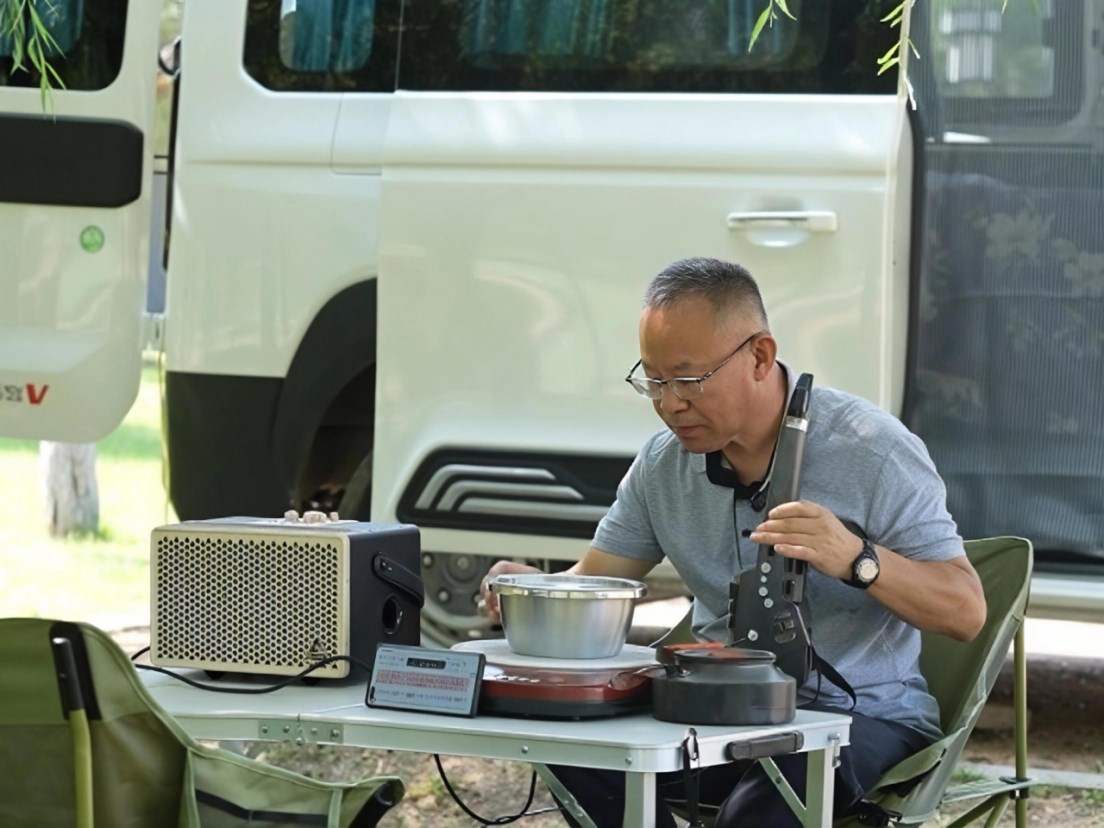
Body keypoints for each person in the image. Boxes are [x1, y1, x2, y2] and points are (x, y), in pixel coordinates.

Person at [480, 257, 987, 827]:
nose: (670, 403)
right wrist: (531, 589)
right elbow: (593, 583)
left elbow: (965, 611)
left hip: (859, 719)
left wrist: (857, 559)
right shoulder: (663, 464)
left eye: (688, 380)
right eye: (654, 380)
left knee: (776, 786)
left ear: (761, 357)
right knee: (576, 749)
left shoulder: (873, 451)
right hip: (715, 707)